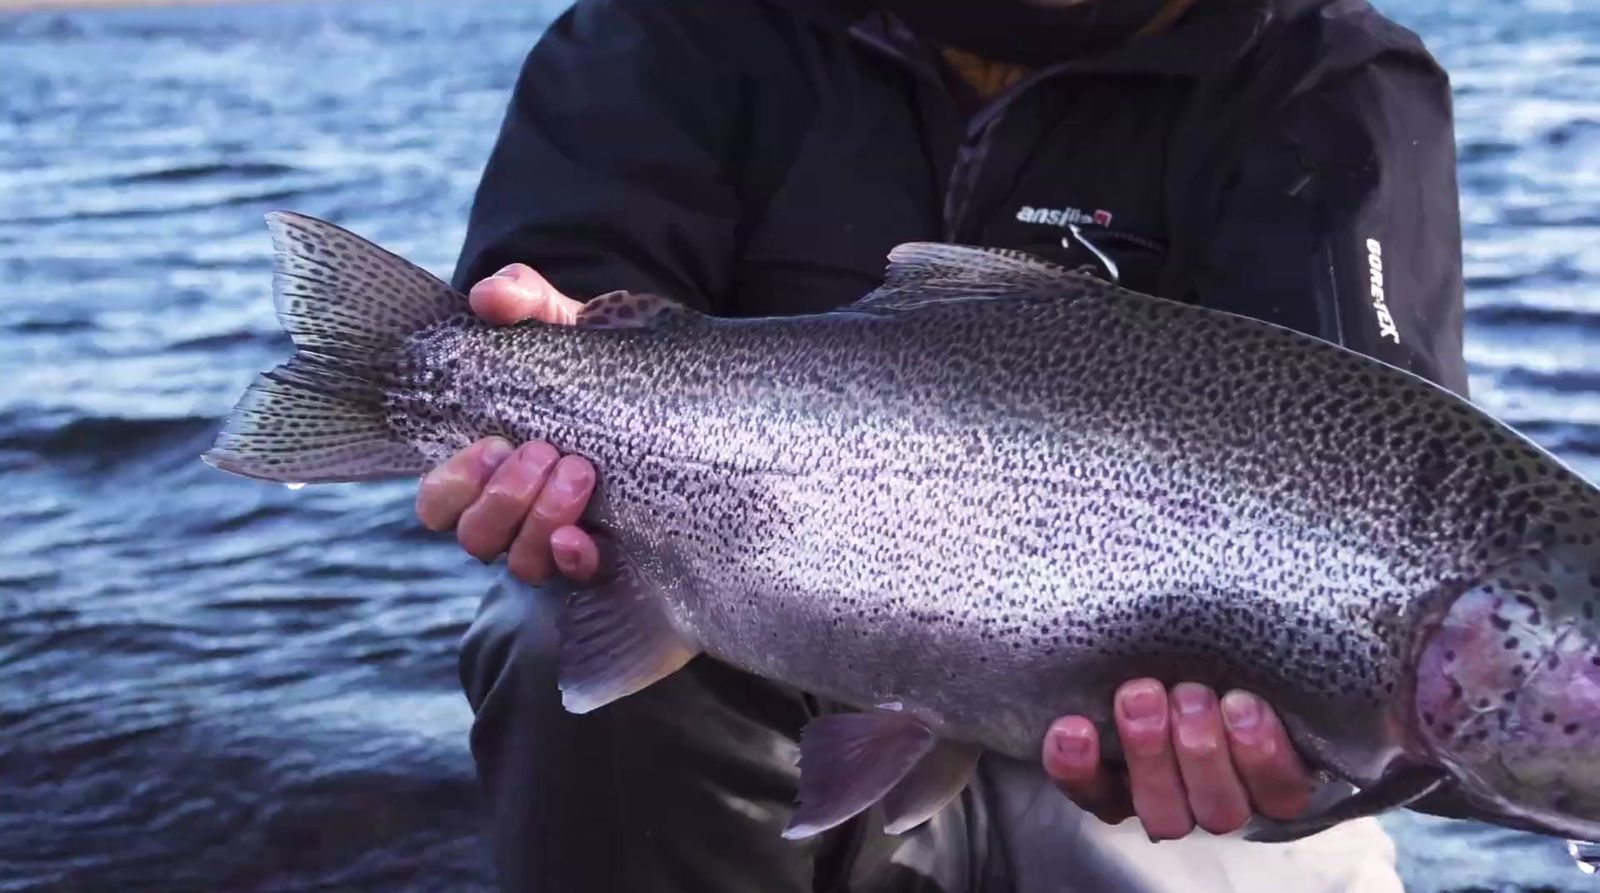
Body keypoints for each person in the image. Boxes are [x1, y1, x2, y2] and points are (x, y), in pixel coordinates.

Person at [420, 0, 1468, 889]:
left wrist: (1311, 771)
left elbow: (1390, 496)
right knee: (546, 625)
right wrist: (521, 356)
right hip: (765, 683)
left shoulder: (1330, 79)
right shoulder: (676, 29)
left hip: (1153, 774)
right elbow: (572, 294)